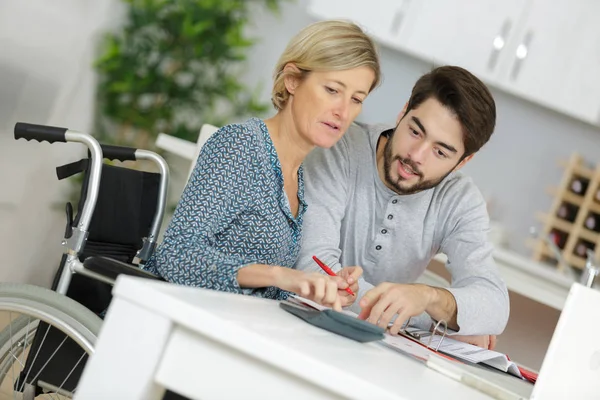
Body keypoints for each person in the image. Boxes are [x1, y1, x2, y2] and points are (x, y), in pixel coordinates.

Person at [144, 20, 381, 310]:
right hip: (168, 321)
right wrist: (280, 276)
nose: (343, 112)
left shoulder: (298, 176)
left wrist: (314, 287)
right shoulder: (240, 145)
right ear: (293, 79)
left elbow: (264, 292)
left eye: (356, 99)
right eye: (332, 90)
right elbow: (176, 256)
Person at [294, 65, 509, 344]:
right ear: (403, 111)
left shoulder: (459, 200)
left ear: (463, 162)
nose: (416, 155)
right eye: (415, 131)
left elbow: (494, 305)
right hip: (301, 327)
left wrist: (427, 296)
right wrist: (438, 324)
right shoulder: (341, 148)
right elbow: (313, 270)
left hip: (373, 351)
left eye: (440, 151)